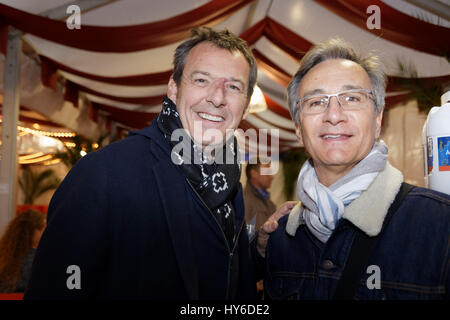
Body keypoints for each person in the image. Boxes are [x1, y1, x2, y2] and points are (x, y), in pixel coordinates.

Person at [24, 27, 258, 300]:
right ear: (174, 87)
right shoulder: (104, 174)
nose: (217, 98)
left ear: (246, 102)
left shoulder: (229, 179)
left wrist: (261, 251)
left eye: (233, 86)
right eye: (202, 80)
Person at [257, 38, 450, 300]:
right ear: (299, 130)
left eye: (351, 98)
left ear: (378, 118)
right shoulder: (280, 239)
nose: (334, 115)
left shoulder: (439, 225)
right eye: (315, 102)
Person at [0, 209, 46, 293]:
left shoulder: (5, 254)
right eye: (43, 229)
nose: (45, 233)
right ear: (34, 231)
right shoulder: (36, 259)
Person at [243, 157, 276, 241]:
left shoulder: (270, 204)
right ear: (254, 173)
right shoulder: (244, 200)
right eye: (267, 172)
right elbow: (245, 239)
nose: (272, 177)